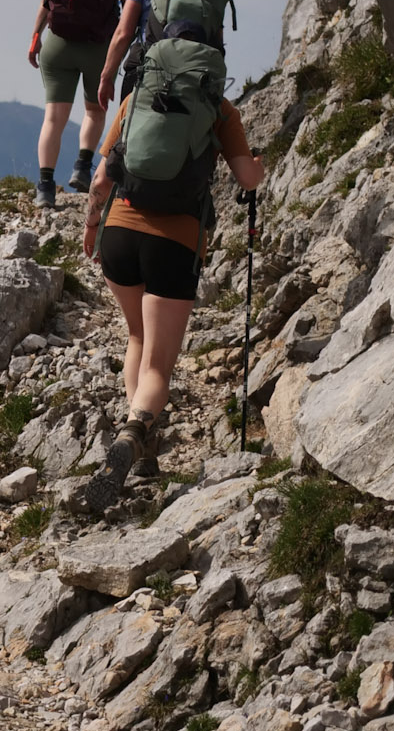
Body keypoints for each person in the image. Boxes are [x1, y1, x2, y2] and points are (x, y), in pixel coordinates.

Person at [78, 64, 264, 515]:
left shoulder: (136, 98)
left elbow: (101, 180)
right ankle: (135, 431)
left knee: (137, 337)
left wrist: (90, 224)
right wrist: (256, 164)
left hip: (119, 231)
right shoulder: (219, 109)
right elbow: (248, 179)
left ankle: (142, 447)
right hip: (176, 242)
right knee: (159, 364)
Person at [27, 0, 137, 208]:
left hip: (57, 42)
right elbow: (131, 8)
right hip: (97, 46)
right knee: (93, 111)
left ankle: (45, 187)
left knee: (53, 118)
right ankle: (81, 167)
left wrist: (36, 37)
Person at [97, 0, 192, 111]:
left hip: (146, 72)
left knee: (122, 134)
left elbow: (123, 34)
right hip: (192, 74)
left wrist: (106, 78)